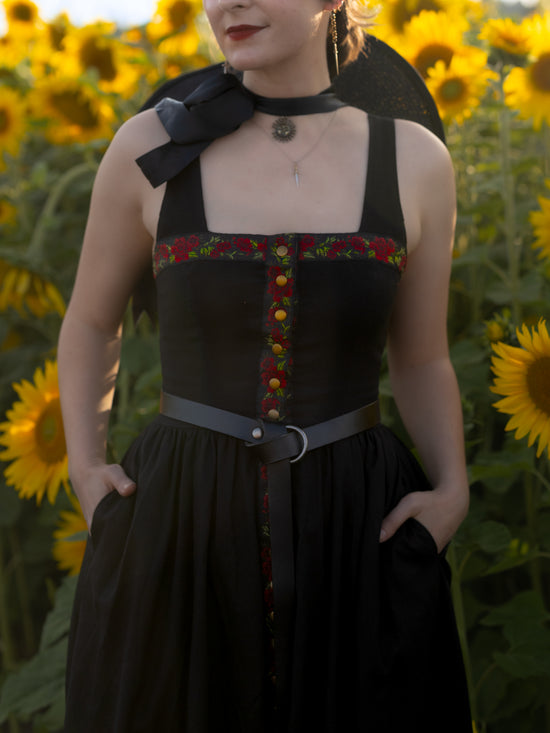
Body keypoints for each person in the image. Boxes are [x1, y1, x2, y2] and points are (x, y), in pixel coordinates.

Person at [58, 0, 472, 731]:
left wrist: (452, 491)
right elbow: (92, 320)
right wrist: (87, 473)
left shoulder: (413, 159)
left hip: (357, 530)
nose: (228, 4)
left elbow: (423, 355)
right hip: (177, 529)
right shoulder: (150, 146)